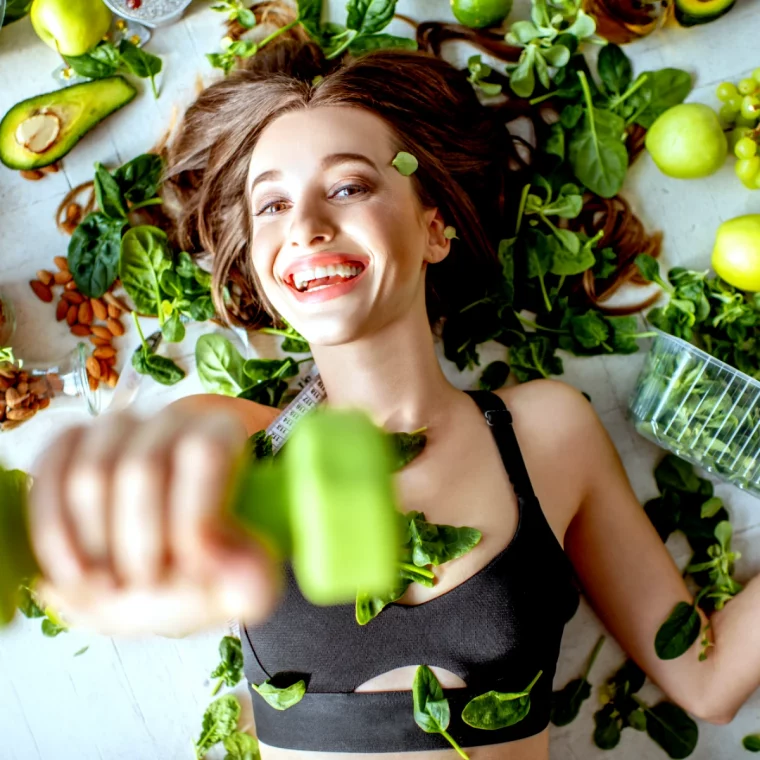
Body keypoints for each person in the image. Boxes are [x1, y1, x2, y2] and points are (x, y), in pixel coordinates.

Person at [28, 35, 760, 760]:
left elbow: (706, 678)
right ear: (256, 264)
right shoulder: (225, 440)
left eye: (348, 187)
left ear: (434, 227)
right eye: (272, 205)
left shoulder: (548, 432)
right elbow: (120, 585)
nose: (308, 227)